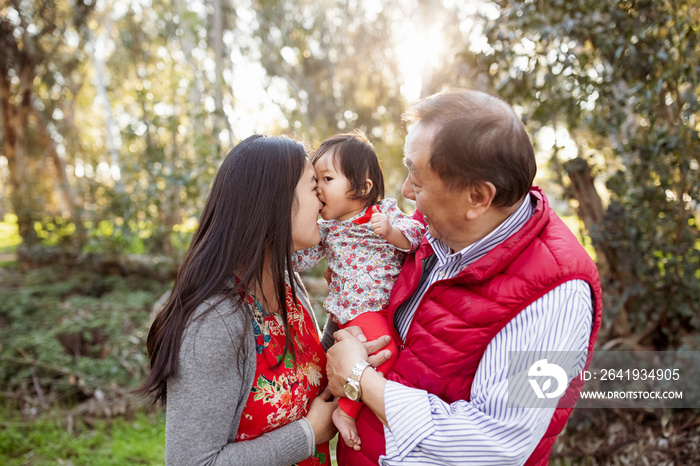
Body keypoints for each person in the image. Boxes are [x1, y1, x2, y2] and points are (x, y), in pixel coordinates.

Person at [325, 89, 604, 465]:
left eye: (418, 181)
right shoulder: (432, 227)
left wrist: (359, 378)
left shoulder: (559, 294)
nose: (406, 192)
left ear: (478, 198)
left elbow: (495, 443)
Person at [140, 135, 342, 465]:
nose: (322, 199)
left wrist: (343, 306)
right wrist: (307, 434)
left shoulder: (288, 286)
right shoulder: (215, 321)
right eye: (312, 186)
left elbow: (302, 371)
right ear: (275, 202)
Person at [293, 131, 425, 451]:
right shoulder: (327, 230)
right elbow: (302, 257)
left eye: (326, 178)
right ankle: (346, 413)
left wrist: (391, 232)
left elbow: (416, 235)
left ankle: (344, 408)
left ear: (362, 188)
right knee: (385, 353)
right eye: (315, 181)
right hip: (358, 312)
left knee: (384, 355)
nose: (319, 188)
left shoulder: (382, 214)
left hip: (386, 307)